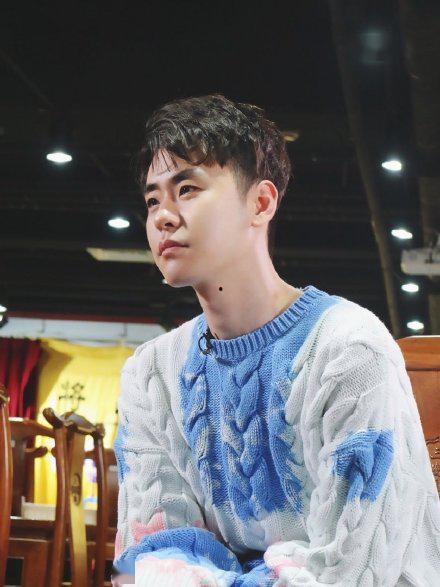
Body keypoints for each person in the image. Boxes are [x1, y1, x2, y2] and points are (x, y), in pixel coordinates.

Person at [111, 94, 440, 586]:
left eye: (187, 189)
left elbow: (354, 567)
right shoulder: (150, 373)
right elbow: (154, 553)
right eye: (152, 200)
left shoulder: (348, 349)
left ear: (261, 202)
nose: (162, 216)